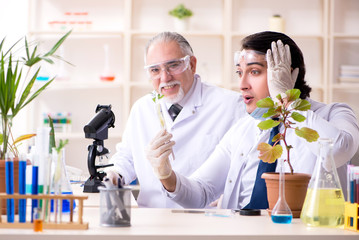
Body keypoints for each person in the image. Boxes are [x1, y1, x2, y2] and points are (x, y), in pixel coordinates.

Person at [148, 31, 359, 209]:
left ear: (290, 75)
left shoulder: (335, 114)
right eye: (240, 72)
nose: (242, 84)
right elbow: (201, 192)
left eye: (255, 71)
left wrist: (287, 99)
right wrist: (167, 176)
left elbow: (337, 152)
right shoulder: (242, 130)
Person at [107, 31, 246, 208]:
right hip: (151, 218)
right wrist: (115, 174)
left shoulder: (231, 106)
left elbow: (245, 168)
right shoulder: (142, 108)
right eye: (155, 70)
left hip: (205, 220)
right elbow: (127, 158)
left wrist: (228, 197)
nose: (165, 78)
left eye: (173, 65)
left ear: (192, 64)